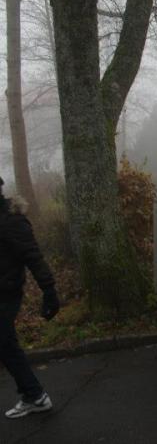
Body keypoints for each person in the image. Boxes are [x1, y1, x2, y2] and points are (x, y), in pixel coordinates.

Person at [0, 176, 60, 419]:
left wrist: (49, 291)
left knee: (5, 344)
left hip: (6, 292)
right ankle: (33, 395)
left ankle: (35, 396)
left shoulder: (12, 221)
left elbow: (33, 256)